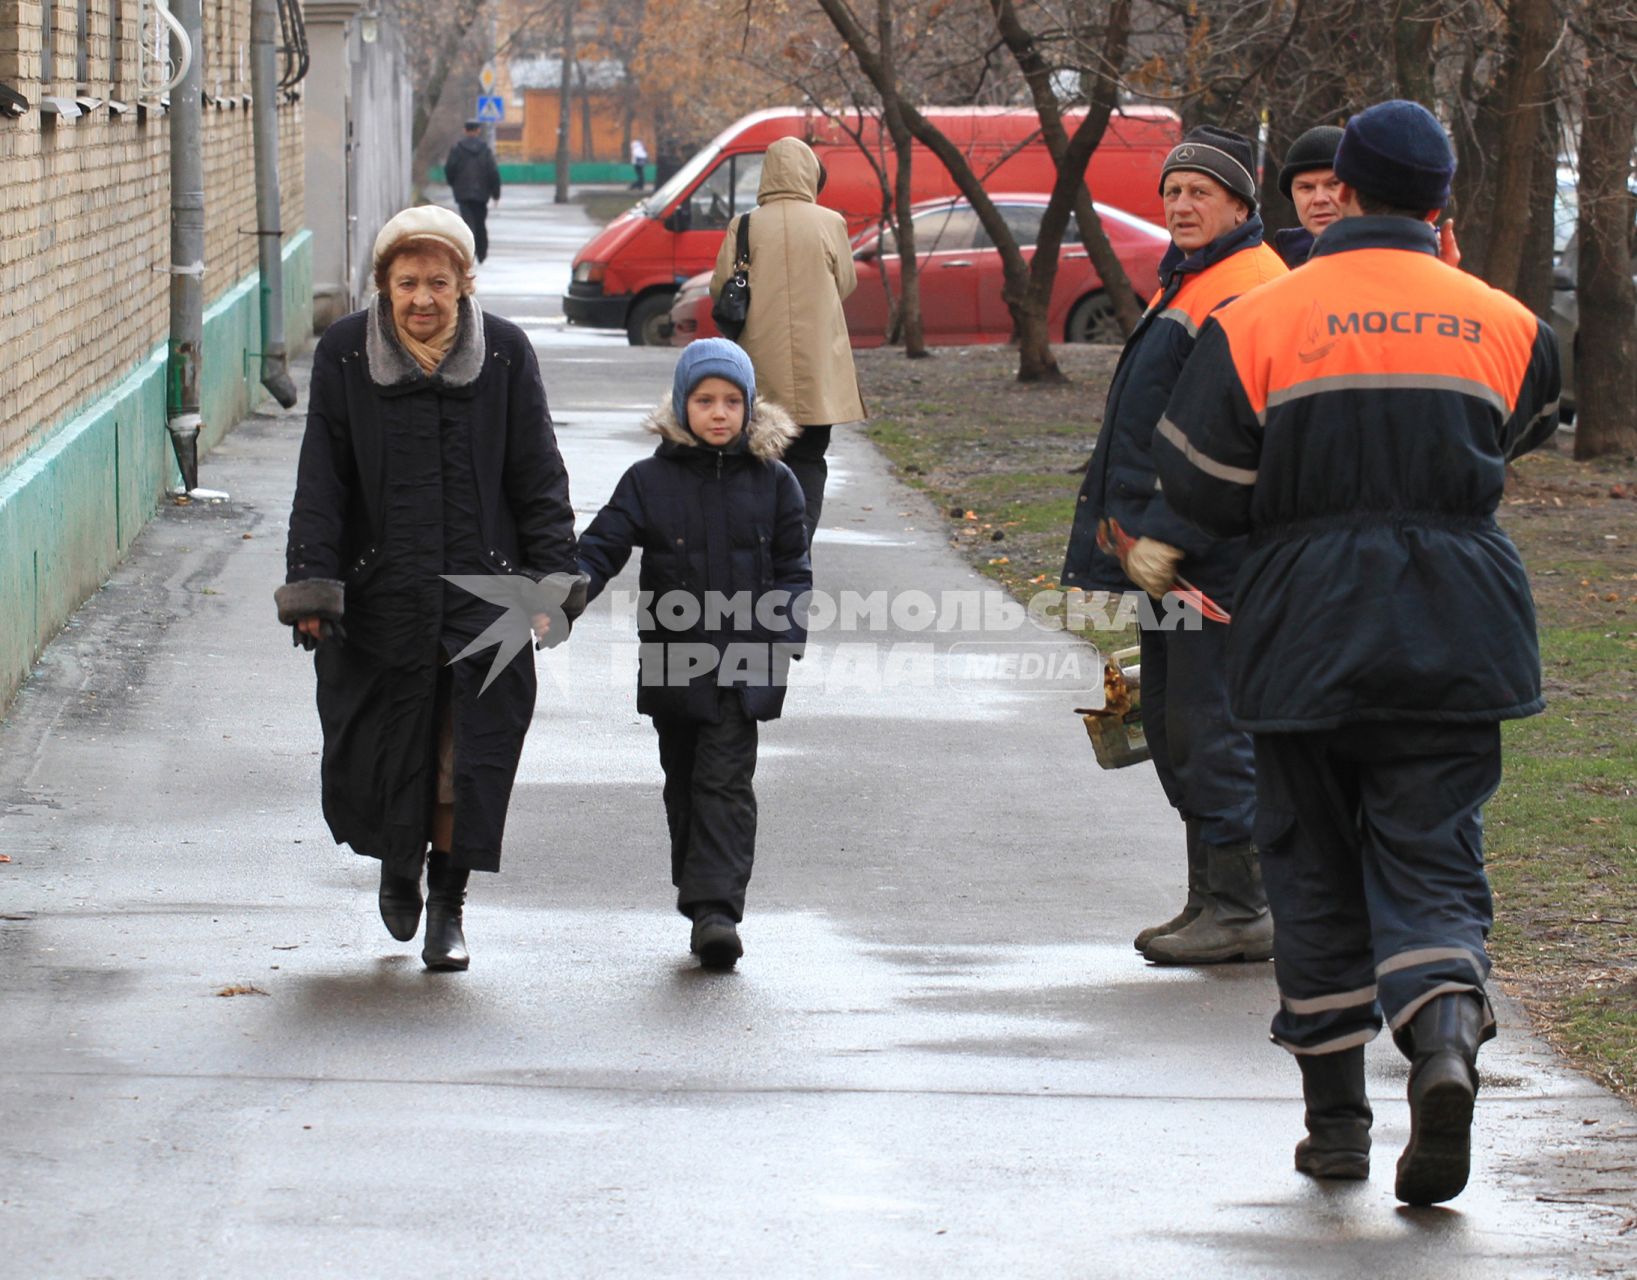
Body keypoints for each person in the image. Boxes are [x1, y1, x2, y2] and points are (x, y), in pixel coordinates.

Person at [1153, 100, 1561, 1205]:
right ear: (1439, 202)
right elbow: (1517, 427)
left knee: (1311, 863)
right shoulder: (1507, 320)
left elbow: (1199, 486)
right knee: (1432, 853)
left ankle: (1334, 1127)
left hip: (1303, 629)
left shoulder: (1260, 317)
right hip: (1458, 622)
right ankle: (1439, 1044)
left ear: (1342, 186)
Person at [275, 205, 582, 971]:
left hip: (486, 599)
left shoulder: (504, 354)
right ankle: (396, 864)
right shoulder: (348, 354)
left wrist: (551, 586)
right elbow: (323, 478)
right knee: (384, 744)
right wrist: (314, 585)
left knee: (466, 757)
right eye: (406, 282)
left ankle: (449, 906)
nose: (422, 298)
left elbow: (537, 476)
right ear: (382, 286)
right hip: (380, 595)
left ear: (464, 284)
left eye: (438, 282)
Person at [1061, 126, 1288, 966]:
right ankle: (1212, 896)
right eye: (1172, 193)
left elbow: (1233, 437)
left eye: (1200, 192)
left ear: (1238, 204)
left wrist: (1172, 531)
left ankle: (1242, 906)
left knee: (1211, 728)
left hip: (1214, 559)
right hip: (1171, 553)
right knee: (1175, 724)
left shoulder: (1245, 286)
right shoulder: (1193, 280)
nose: (1181, 205)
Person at [575, 340, 812, 970]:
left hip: (746, 661)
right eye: (705, 400)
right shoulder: (649, 481)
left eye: (732, 401)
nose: (719, 413)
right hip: (674, 663)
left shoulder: (775, 482)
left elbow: (794, 566)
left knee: (724, 784)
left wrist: (785, 633)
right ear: (683, 405)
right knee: (683, 783)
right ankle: (699, 895)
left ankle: (717, 913)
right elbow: (601, 547)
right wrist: (562, 594)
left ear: (750, 407)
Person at [710, 137, 864, 545]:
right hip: (818, 369)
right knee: (810, 460)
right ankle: (796, 549)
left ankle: (759, 546)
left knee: (759, 459)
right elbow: (845, 283)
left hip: (759, 370)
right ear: (810, 174)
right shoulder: (830, 222)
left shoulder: (744, 225)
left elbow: (719, 288)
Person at [1271, 125, 1343, 267]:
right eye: (1307, 187)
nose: (1319, 199)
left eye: (1333, 184)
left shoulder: (1390, 262)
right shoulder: (1279, 271)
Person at [446, 121, 502, 264]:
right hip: (482, 194)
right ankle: (482, 254)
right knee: (480, 223)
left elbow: (450, 169)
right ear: (478, 130)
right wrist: (495, 193)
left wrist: (454, 184)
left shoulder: (457, 149)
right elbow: (493, 172)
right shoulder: (485, 150)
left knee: (467, 222)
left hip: (463, 192)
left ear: (465, 130)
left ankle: (468, 252)